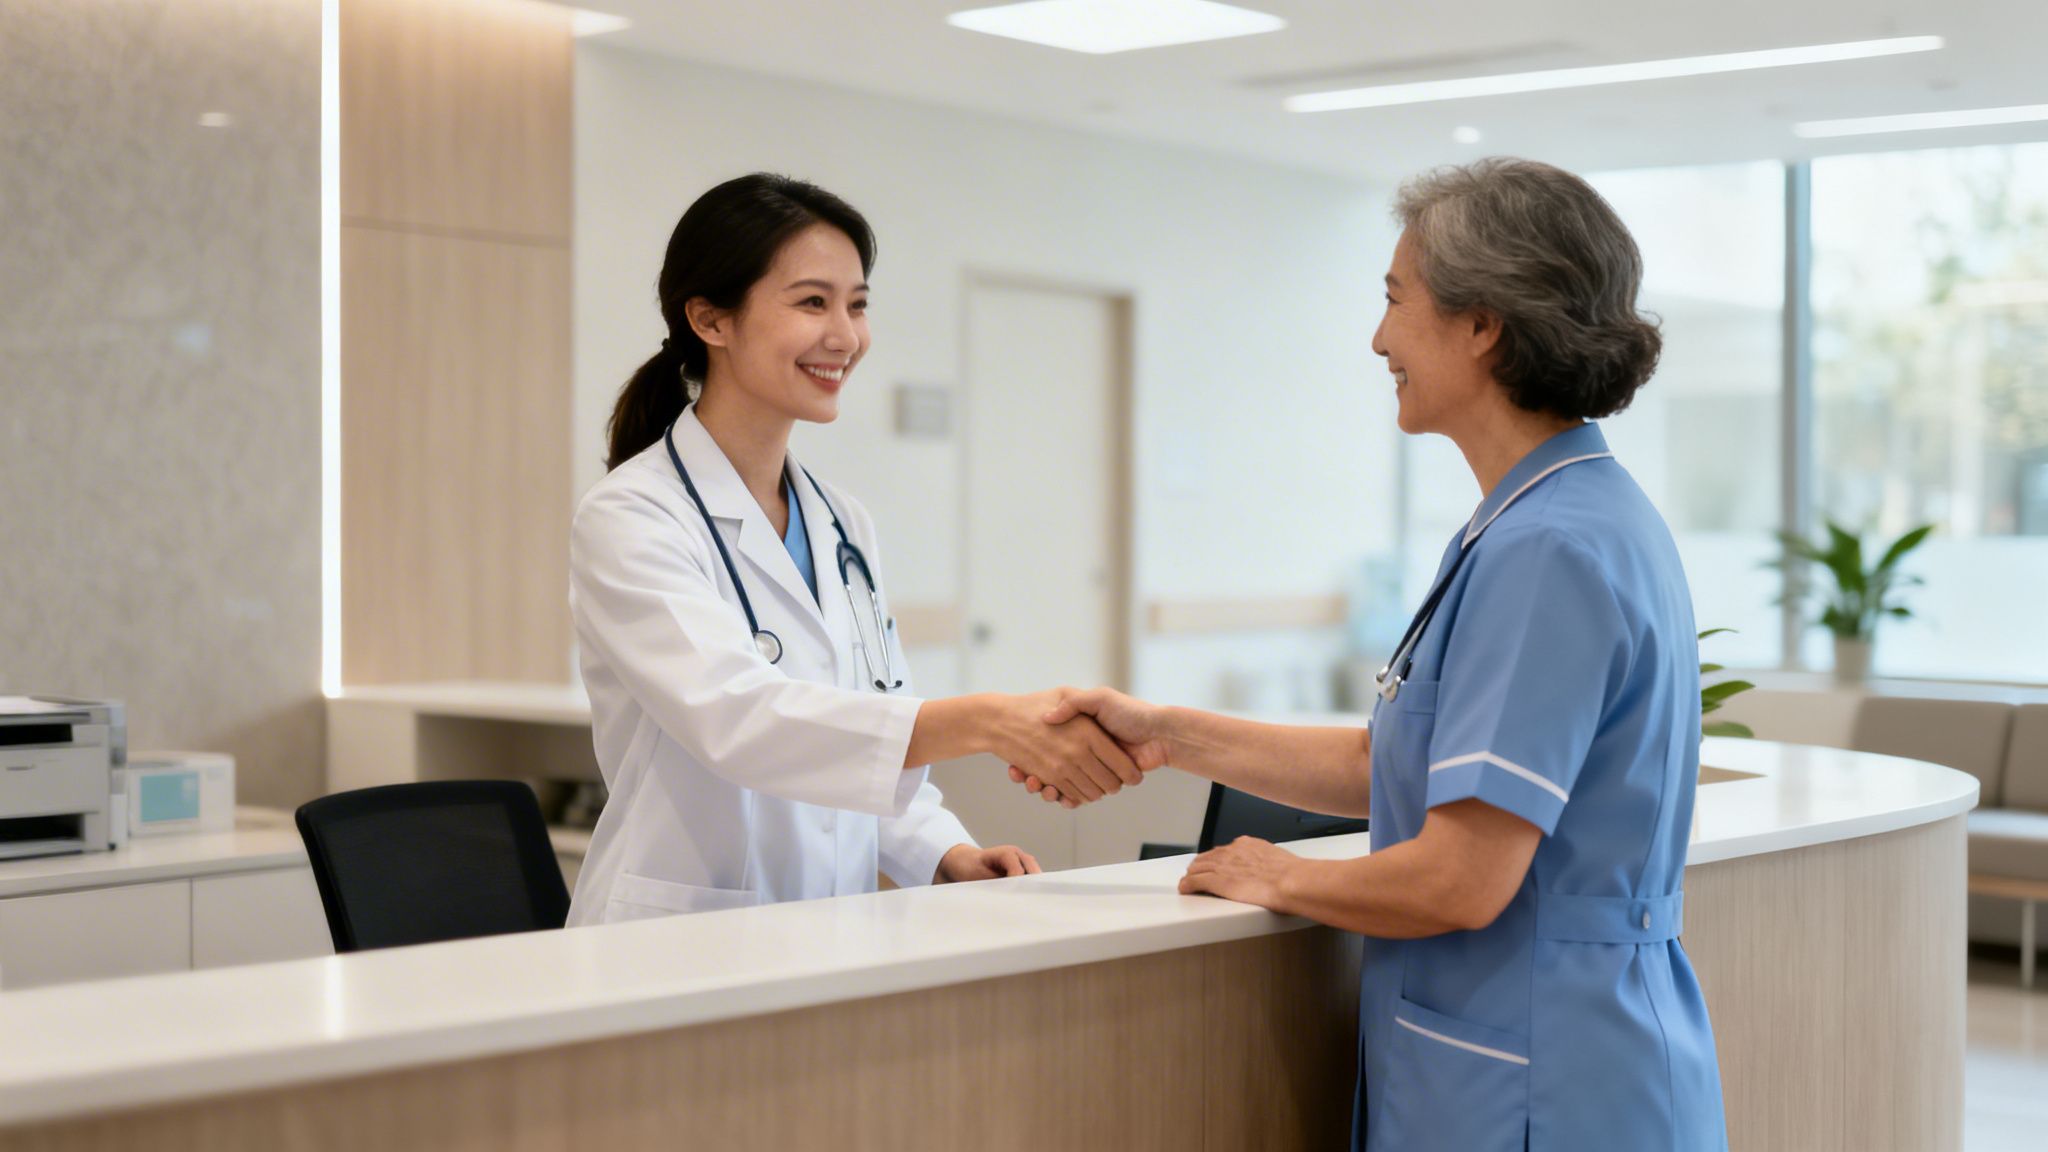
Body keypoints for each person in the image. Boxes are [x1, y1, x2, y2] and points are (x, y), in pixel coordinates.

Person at [1019, 159, 1727, 1150]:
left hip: (1545, 1075)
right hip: (1531, 1048)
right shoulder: (1542, 519)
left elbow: (1458, 878)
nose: (1377, 338)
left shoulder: (1547, 550)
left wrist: (1279, 877)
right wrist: (1166, 734)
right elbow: (1387, 763)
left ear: (1482, 322)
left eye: (1394, 300)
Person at [567, 173, 1141, 925]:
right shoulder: (632, 517)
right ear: (710, 319)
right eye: (812, 302)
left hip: (824, 935)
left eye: (857, 304)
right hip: (675, 936)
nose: (846, 335)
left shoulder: (842, 524)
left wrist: (941, 853)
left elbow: (866, 730)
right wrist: (988, 718)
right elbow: (740, 722)